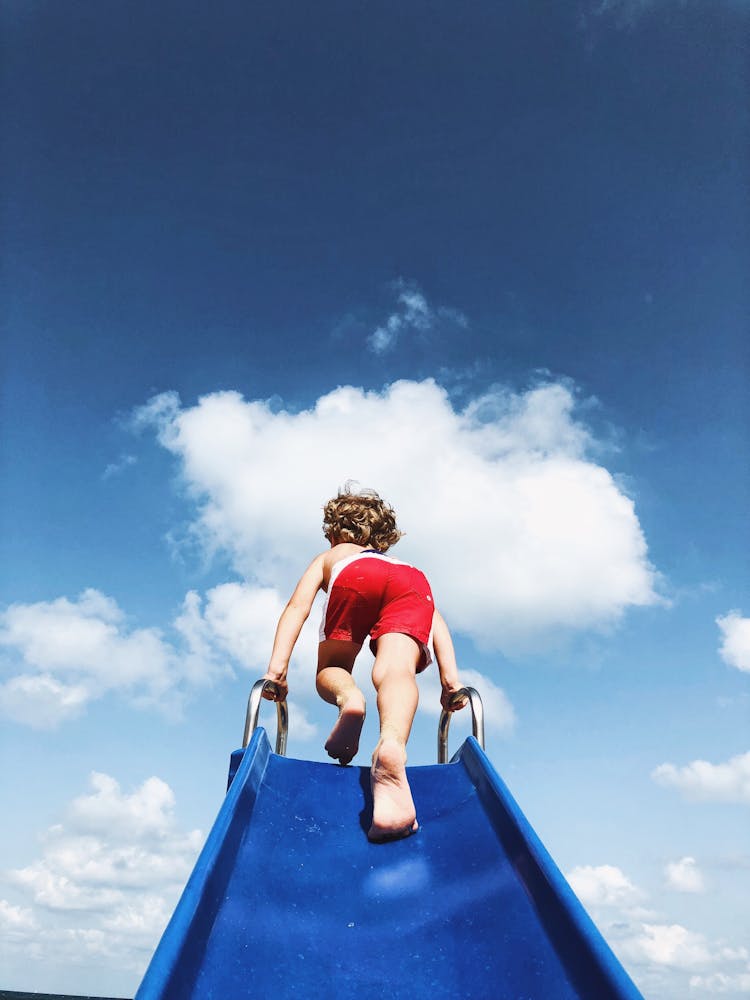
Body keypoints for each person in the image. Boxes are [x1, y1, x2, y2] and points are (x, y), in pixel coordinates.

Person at [262, 485, 466, 843]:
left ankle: (350, 700)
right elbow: (435, 620)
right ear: (384, 537)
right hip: (413, 584)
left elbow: (298, 608)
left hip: (355, 575)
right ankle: (391, 746)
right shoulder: (400, 563)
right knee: (397, 669)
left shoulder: (334, 555)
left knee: (333, 667)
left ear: (332, 532)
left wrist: (277, 670)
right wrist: (451, 680)